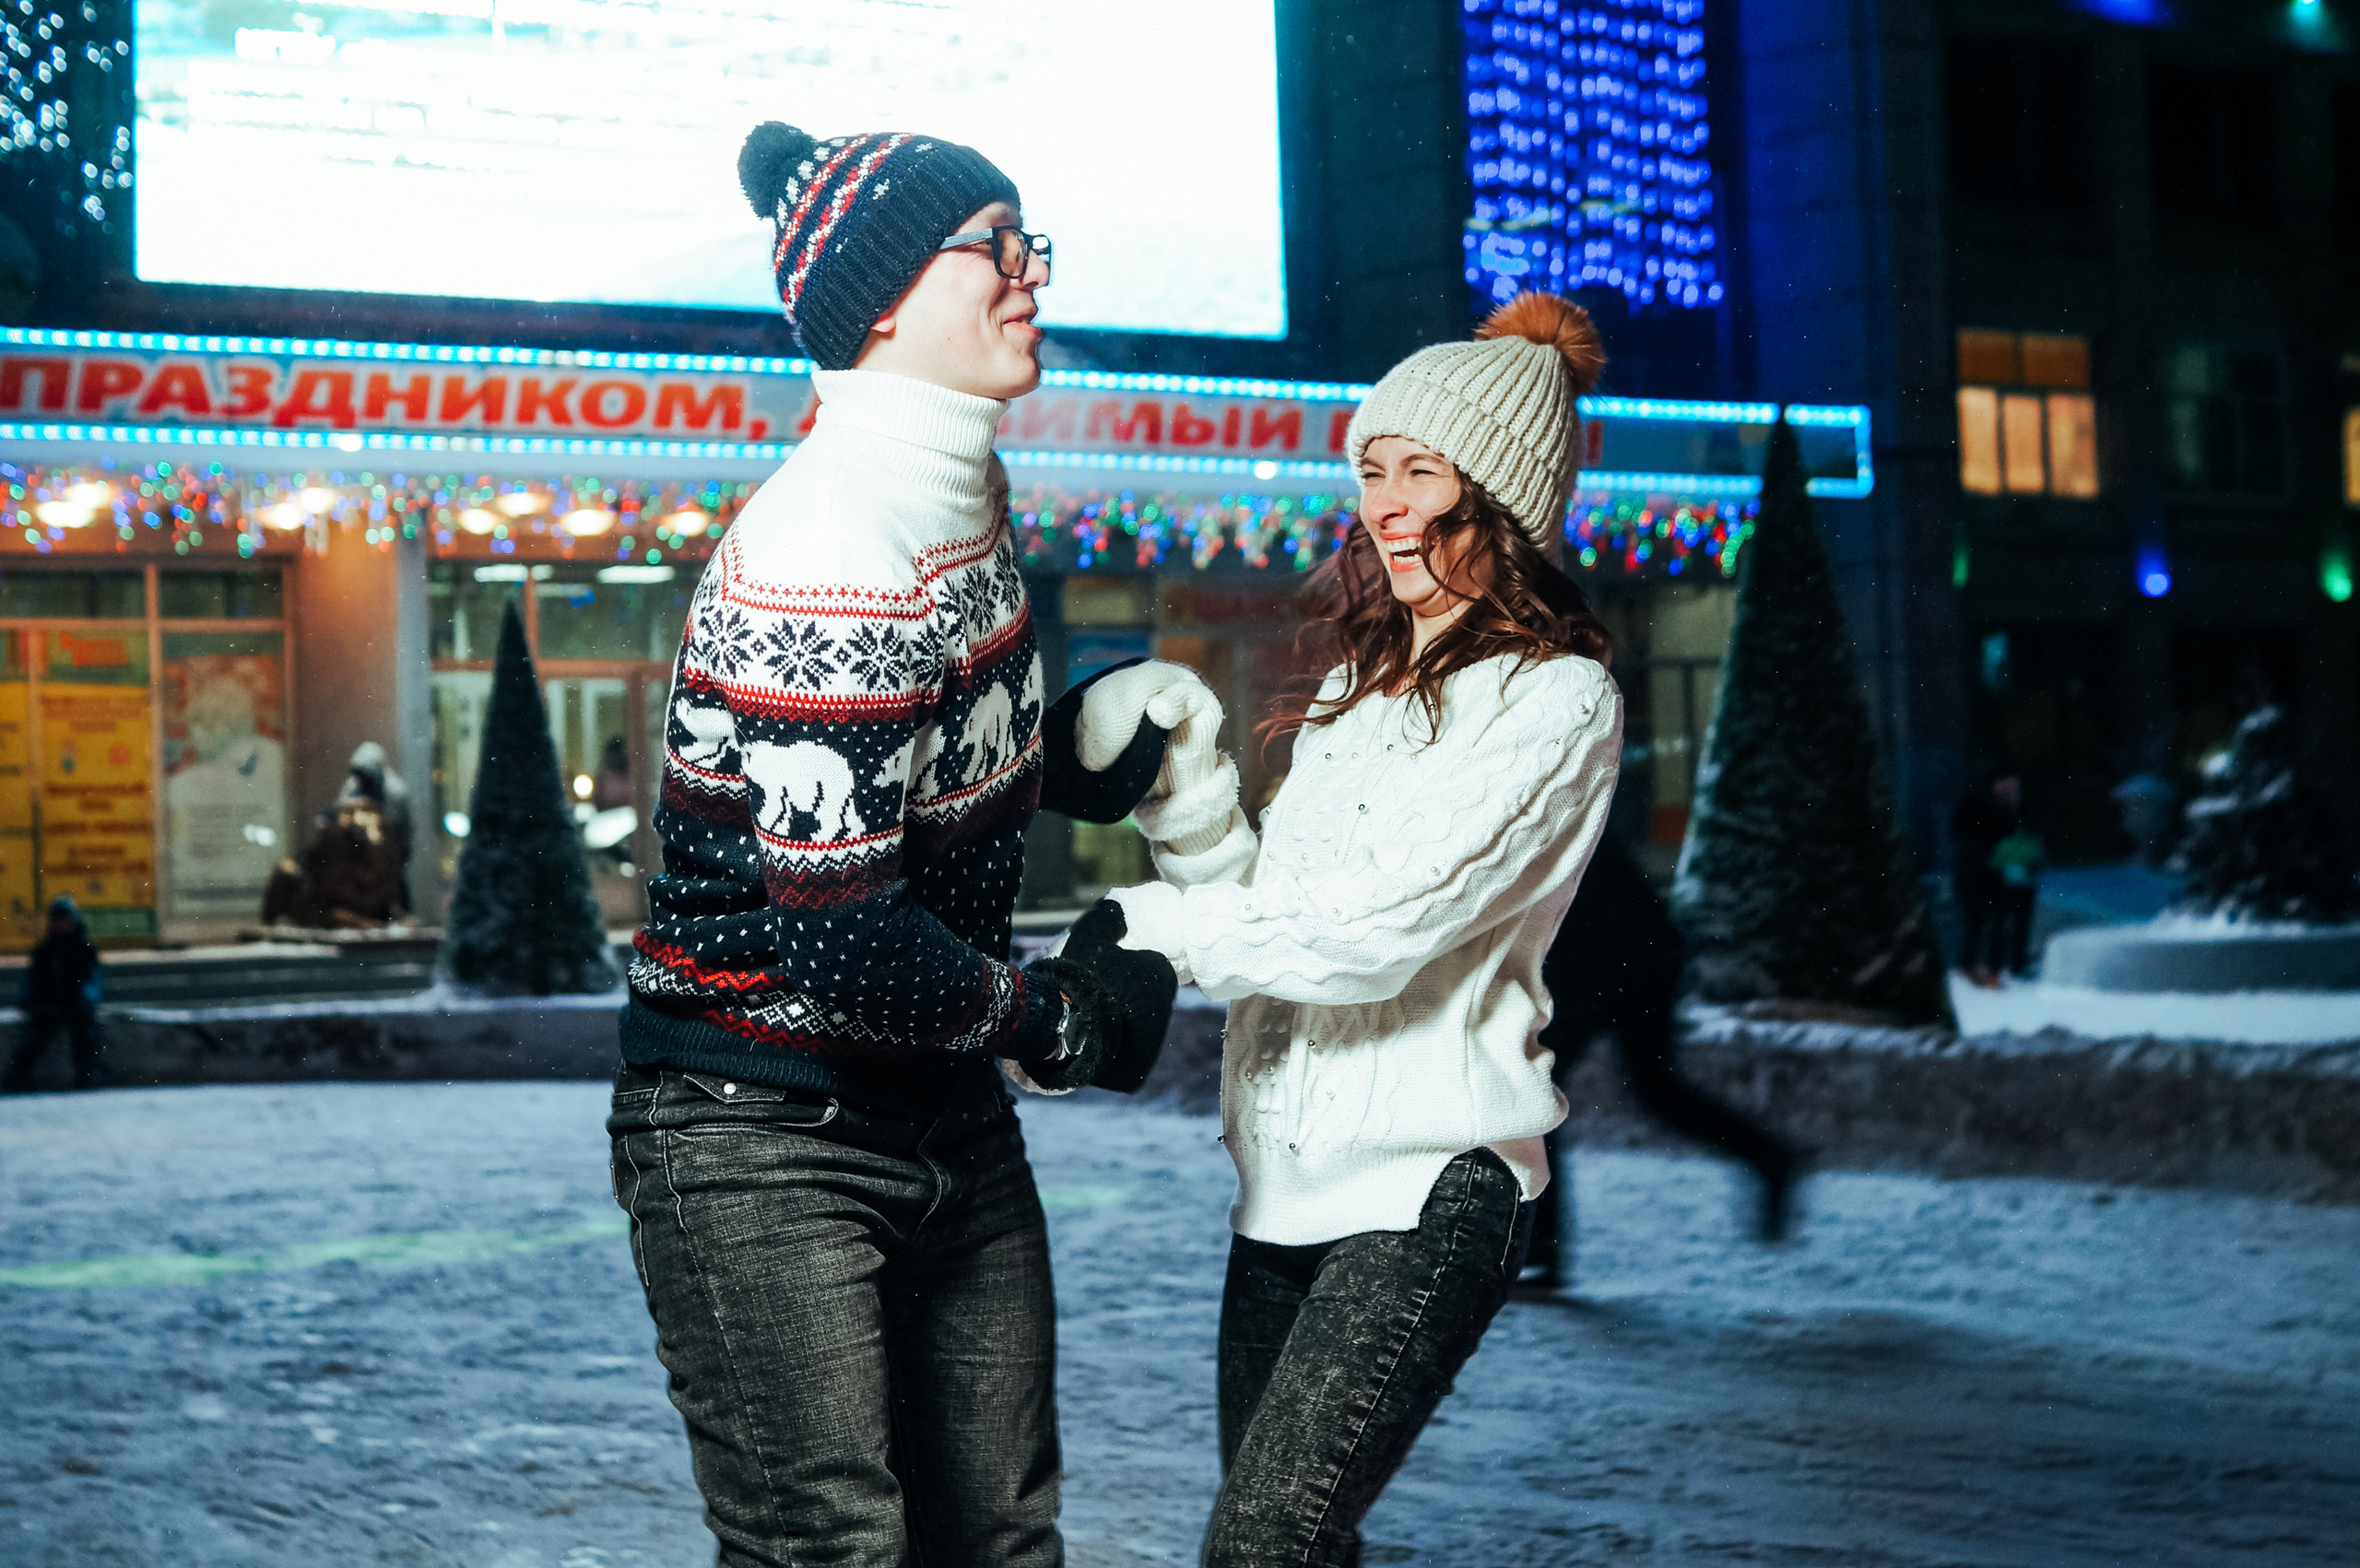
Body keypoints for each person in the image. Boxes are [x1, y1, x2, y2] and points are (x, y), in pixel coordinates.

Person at [605, 121, 1192, 1568]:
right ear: (875, 296)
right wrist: (1061, 1020)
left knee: (999, 1540)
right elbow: (842, 935)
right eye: (990, 244)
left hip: (939, 1112)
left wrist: (1070, 769)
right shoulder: (832, 549)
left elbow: (901, 755)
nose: (1028, 274)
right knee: (835, 1554)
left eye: (1026, 241)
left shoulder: (954, 488)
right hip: (759, 1131)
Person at [1095, 291, 1619, 1565]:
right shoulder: (1357, 689)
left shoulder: (1558, 701)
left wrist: (1147, 929)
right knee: (1291, 1550)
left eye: (1417, 470)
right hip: (1280, 1186)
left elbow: (1378, 933)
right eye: (1370, 469)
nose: (1383, 501)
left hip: (1431, 1184)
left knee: (1263, 1547)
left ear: (1495, 493)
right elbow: (1275, 915)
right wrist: (1190, 788)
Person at [1525, 828, 1801, 1289]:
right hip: (1639, 951)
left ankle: (1542, 1253)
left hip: (1601, 955)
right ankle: (1768, 1156)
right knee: (1653, 1086)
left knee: (1534, 1096)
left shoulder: (1530, 809)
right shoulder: (1551, 800)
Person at [2, 896, 105, 1092]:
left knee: (85, 1034)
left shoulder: (85, 950)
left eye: (64, 919)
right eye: (57, 920)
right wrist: (31, 1002)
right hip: (47, 1008)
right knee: (33, 1037)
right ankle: (14, 1079)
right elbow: (31, 979)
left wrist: (84, 1000)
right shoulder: (44, 950)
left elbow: (93, 981)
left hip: (76, 1007)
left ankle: (88, 1077)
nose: (60, 924)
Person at [1950, 772, 2018, 987]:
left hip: (1994, 876)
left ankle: (1991, 971)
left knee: (1995, 925)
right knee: (1975, 924)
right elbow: (1960, 834)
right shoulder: (1976, 805)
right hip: (1974, 875)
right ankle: (1971, 967)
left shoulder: (2007, 806)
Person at [337, 741, 413, 914]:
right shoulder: (353, 786)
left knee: (395, 899)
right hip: (360, 859)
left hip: (389, 855)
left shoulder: (395, 791)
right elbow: (341, 811)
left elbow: (395, 830)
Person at [1988, 819, 2047, 978]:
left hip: (2006, 889)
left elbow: (1994, 864)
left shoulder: (2004, 843)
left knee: (2001, 927)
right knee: (2021, 927)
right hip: (2024, 889)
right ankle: (2017, 964)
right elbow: (2039, 863)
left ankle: (1996, 964)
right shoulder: (2032, 843)